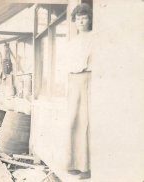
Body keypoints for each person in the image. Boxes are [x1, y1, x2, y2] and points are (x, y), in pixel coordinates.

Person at [67, 3, 93, 180]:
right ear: (74, 22)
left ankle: (86, 167)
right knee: (72, 120)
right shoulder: (73, 41)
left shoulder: (95, 37)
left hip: (89, 78)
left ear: (90, 19)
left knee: (86, 121)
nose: (81, 21)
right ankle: (73, 163)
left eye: (84, 18)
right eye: (78, 19)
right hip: (73, 79)